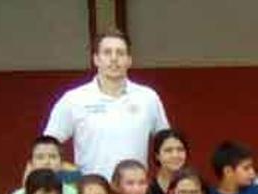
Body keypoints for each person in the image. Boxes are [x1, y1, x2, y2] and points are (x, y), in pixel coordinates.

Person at [43, 28, 169, 180]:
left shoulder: (148, 98)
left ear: (129, 60)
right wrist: (77, 177)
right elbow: (45, 153)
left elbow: (167, 147)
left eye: (120, 53)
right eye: (107, 52)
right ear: (96, 59)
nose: (114, 58)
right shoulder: (74, 100)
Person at [5, 136, 80, 194]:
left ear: (61, 163)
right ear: (31, 163)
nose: (46, 162)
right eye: (40, 157)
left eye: (53, 157)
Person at [144, 129, 189, 194]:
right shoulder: (147, 191)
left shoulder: (194, 186)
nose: (175, 155)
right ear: (157, 156)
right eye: (168, 150)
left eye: (180, 149)